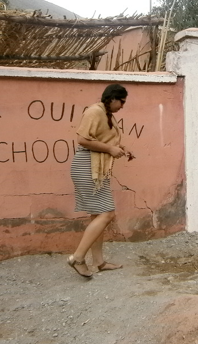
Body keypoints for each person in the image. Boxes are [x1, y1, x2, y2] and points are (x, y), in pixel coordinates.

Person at [67, 84, 134, 278]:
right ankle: (78, 258)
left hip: (97, 168)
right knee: (107, 213)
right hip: (87, 166)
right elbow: (82, 139)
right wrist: (110, 149)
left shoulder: (106, 114)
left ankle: (99, 262)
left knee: (97, 215)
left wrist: (120, 147)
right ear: (112, 98)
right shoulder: (94, 111)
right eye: (121, 102)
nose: (122, 106)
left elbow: (103, 140)